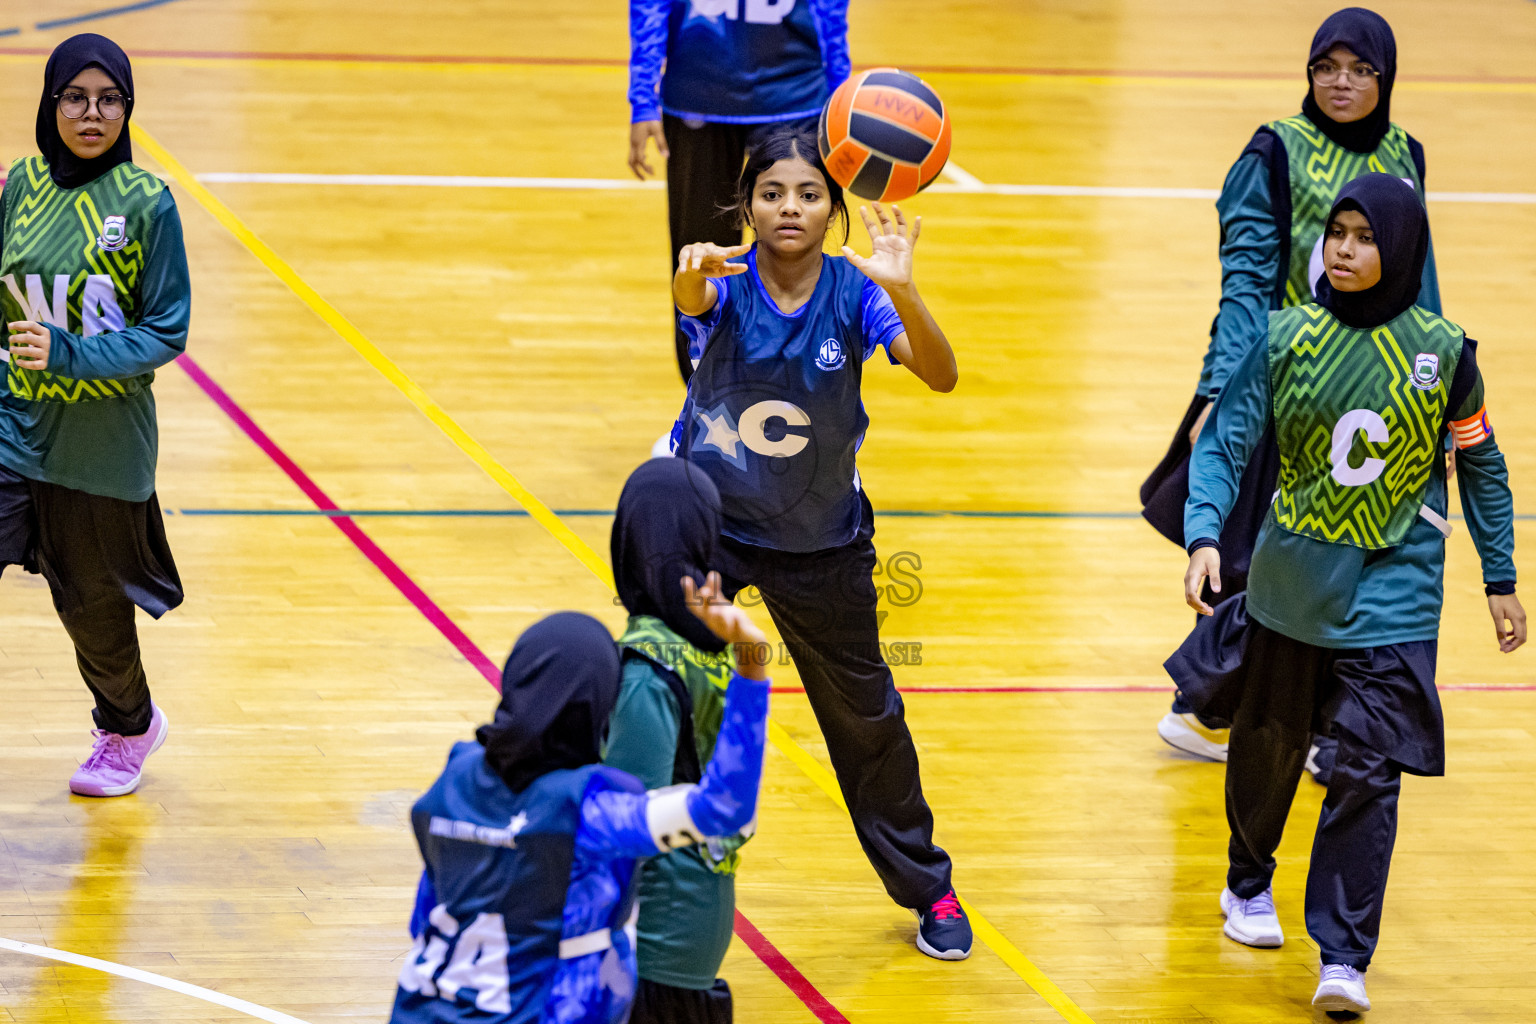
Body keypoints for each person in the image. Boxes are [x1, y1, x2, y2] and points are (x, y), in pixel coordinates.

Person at [1166, 174, 1523, 1015]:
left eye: (1365, 237)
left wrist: (1499, 576)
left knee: (1368, 767)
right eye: (1338, 234)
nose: (1347, 249)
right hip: (1294, 583)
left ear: (1398, 248)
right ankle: (1248, 879)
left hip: (1395, 591)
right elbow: (1225, 440)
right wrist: (1206, 534)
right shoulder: (1286, 337)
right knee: (1268, 746)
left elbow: (1481, 463)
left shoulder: (1446, 353)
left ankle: (1343, 954)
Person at [665, 123, 970, 960]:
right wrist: (688, 277)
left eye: (807, 194)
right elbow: (693, 304)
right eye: (771, 193)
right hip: (712, 531)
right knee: (668, 693)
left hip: (822, 541)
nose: (789, 207)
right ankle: (647, 867)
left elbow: (940, 373)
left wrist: (905, 290)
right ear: (747, 206)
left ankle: (929, 890)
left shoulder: (857, 292)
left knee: (869, 722)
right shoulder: (722, 279)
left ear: (833, 208)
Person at [1140, 7, 1441, 775]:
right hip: (1294, 387)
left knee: (1356, 564)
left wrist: (1435, 385)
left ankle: (1296, 720)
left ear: (1386, 77)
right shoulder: (1276, 150)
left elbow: (1419, 281)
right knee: (1277, 563)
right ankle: (1214, 708)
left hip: (1376, 396)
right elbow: (1245, 282)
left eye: (1359, 70)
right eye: (1325, 68)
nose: (1341, 83)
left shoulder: (1407, 154)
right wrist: (1222, 386)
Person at [390, 599, 772, 1024]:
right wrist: (753, 661)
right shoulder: (594, 815)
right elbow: (725, 807)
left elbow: (425, 914)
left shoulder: (451, 780)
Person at [0, 33, 191, 797]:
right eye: (75, 97)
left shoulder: (147, 205)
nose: (91, 112)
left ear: (127, 109)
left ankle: (128, 726)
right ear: (51, 104)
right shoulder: (21, 186)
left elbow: (165, 331)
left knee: (94, 617)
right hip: (16, 430)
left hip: (102, 450)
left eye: (108, 99)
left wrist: (70, 353)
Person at [627, 0, 850, 386]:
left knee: (794, 253)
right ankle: (703, 401)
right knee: (700, 258)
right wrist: (642, 100)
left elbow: (830, 10)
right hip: (699, 94)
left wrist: (841, 104)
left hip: (794, 98)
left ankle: (791, 392)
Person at [605, 458, 750, 1024]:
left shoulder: (646, 669)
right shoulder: (713, 646)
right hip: (697, 912)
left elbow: (622, 826)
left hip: (654, 937)